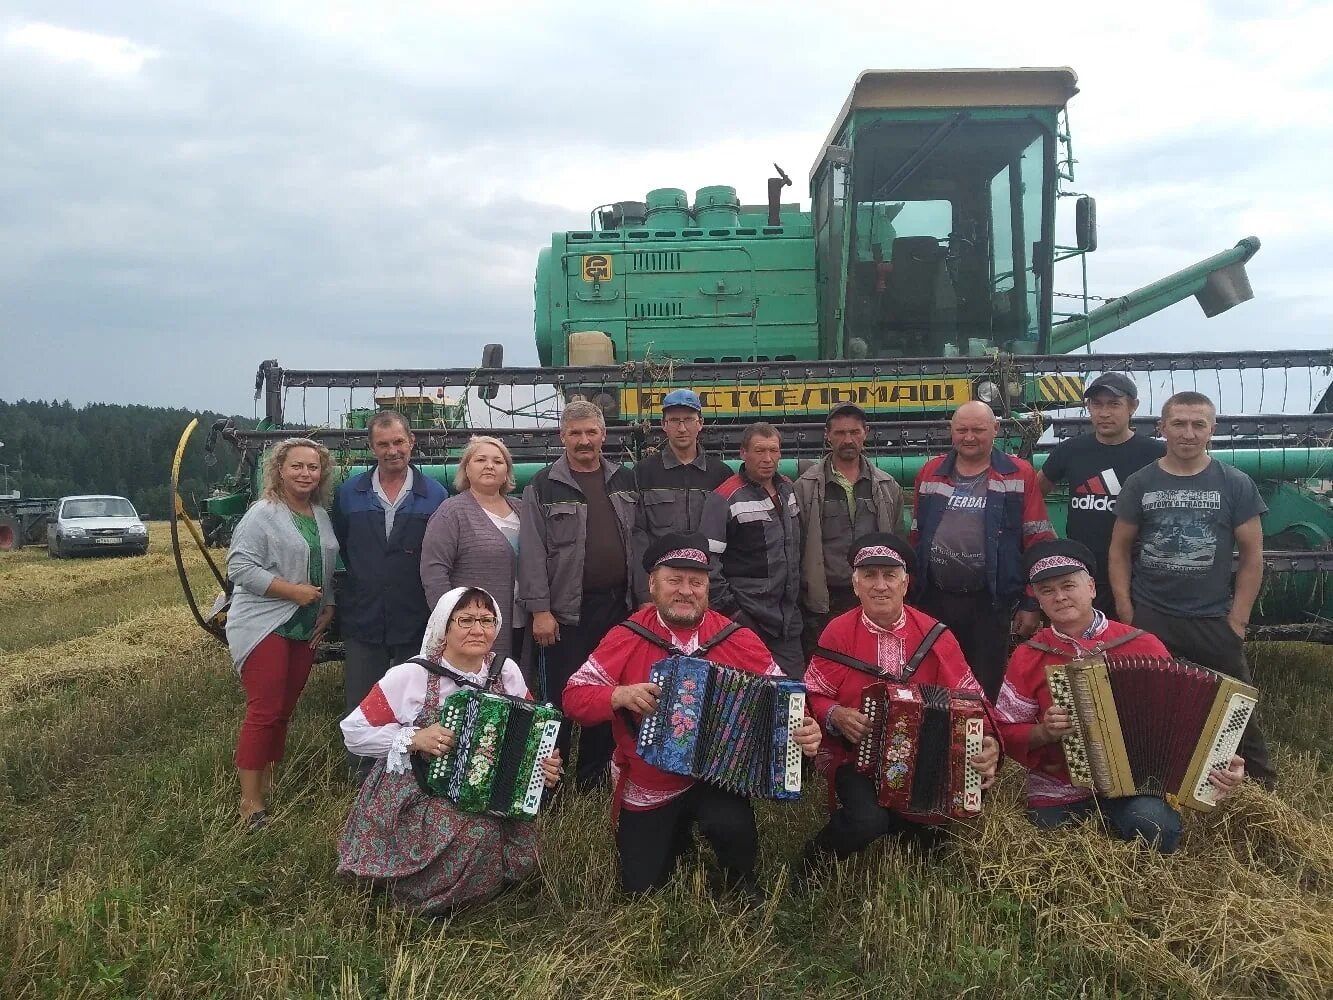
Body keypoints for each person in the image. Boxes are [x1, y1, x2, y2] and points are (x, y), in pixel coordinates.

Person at [563, 533, 821, 898]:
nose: (686, 591)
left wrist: (805, 726)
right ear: (652, 584)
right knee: (641, 888)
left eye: (696, 582)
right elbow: (574, 696)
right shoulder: (627, 635)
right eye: (675, 580)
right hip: (651, 778)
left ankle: (736, 876)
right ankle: (674, 834)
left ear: (708, 587)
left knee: (733, 831)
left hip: (717, 776)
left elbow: (787, 700)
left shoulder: (736, 637)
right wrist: (618, 694)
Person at [994, 539, 1245, 851]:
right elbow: (1004, 730)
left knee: (1156, 827)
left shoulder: (1142, 645)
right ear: (1039, 601)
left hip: (1138, 785)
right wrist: (1044, 732)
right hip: (1059, 785)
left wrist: (1219, 760)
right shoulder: (1029, 655)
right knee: (1051, 845)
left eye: (1068, 585)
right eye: (1047, 590)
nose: (1059, 596)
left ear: (1091, 589)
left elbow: (1183, 719)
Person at [338, 587, 561, 913]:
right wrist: (414, 738)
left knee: (507, 833)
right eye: (466, 620)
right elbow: (353, 732)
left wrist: (544, 763)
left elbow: (534, 733)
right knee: (478, 832)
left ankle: (478, 893)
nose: (477, 629)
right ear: (445, 626)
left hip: (490, 792)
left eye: (487, 620)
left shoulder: (505, 672)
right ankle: (423, 899)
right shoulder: (411, 675)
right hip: (420, 789)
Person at [1108, 390, 1276, 787]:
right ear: (1162, 427)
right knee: (1151, 708)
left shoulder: (1234, 484)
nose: (1188, 433)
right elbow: (1118, 551)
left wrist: (1238, 619)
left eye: (1198, 424)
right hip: (1152, 618)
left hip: (1213, 619)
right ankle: (1156, 784)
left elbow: (1253, 557)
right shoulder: (1141, 482)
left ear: (1211, 430)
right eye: (1179, 423)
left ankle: (1262, 790)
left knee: (1238, 710)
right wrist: (1127, 611)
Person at [802, 533, 999, 863]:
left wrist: (989, 741)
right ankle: (814, 859)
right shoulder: (837, 631)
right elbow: (812, 694)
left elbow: (975, 700)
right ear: (855, 585)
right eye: (869, 575)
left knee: (930, 847)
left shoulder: (935, 634)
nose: (880, 585)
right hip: (855, 757)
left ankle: (904, 822)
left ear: (905, 584)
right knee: (867, 821)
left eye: (889, 575)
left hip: (924, 760)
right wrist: (836, 715)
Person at [518, 400, 640, 789]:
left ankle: (595, 776)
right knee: (561, 694)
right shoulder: (543, 485)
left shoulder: (625, 480)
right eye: (575, 433)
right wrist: (540, 610)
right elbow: (533, 551)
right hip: (565, 613)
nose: (584, 440)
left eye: (591, 432)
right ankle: (551, 779)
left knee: (607, 690)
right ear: (562, 437)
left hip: (618, 607)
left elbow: (639, 540)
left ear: (603, 435)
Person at [225, 437, 340, 831]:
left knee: (284, 711)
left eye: (313, 467)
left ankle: (268, 782)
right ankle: (250, 803)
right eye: (297, 466)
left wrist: (329, 606)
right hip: (265, 622)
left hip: (305, 625)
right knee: (265, 710)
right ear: (279, 470)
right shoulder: (263, 513)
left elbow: (324, 565)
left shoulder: (319, 515)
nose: (305, 473)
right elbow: (239, 567)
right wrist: (292, 591)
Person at [911, 401, 1055, 700]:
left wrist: (1032, 602)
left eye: (978, 429)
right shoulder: (930, 472)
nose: (969, 437)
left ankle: (983, 742)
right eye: (961, 430)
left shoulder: (1019, 474)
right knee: (934, 677)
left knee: (985, 683)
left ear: (996, 429)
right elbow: (917, 535)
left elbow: (1037, 540)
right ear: (951, 431)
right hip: (935, 598)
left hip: (990, 602)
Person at [333, 411, 448, 781]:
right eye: (383, 444)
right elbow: (345, 547)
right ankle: (363, 777)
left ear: (411, 442)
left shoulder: (435, 494)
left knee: (410, 700)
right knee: (363, 701)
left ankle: (405, 776)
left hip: (413, 616)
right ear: (372, 447)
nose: (392, 450)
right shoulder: (349, 493)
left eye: (399, 442)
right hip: (363, 615)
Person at [1036, 373, 1164, 619]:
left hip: (1139, 573)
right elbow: (1033, 495)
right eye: (1097, 404)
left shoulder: (1155, 454)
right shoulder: (1070, 450)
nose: (1104, 413)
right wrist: (1050, 539)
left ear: (1133, 407)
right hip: (1084, 572)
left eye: (1114, 404)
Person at [794, 402, 905, 655]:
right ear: (827, 436)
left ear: (866, 433)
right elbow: (797, 547)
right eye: (840, 433)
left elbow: (898, 543)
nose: (848, 440)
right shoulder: (806, 487)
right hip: (825, 601)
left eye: (854, 432)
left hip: (874, 596)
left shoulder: (888, 487)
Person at [700, 422, 804, 677]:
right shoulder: (724, 497)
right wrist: (735, 613)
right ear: (743, 453)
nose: (767, 459)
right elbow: (707, 563)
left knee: (794, 697)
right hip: (746, 621)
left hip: (787, 623)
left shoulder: (788, 489)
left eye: (773, 450)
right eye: (759, 451)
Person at [421, 435, 526, 666]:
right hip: (473, 627)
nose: (490, 466)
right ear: (466, 468)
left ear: (507, 471)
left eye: (498, 462)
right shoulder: (452, 512)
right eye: (481, 460)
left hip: (522, 624)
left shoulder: (522, 510)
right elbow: (434, 571)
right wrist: (451, 620)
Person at [631, 388, 731, 557]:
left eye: (689, 420)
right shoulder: (643, 473)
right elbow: (636, 532)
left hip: (708, 575)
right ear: (664, 425)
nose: (682, 428)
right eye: (675, 420)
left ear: (700, 423)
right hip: (662, 574)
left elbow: (731, 533)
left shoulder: (721, 475)